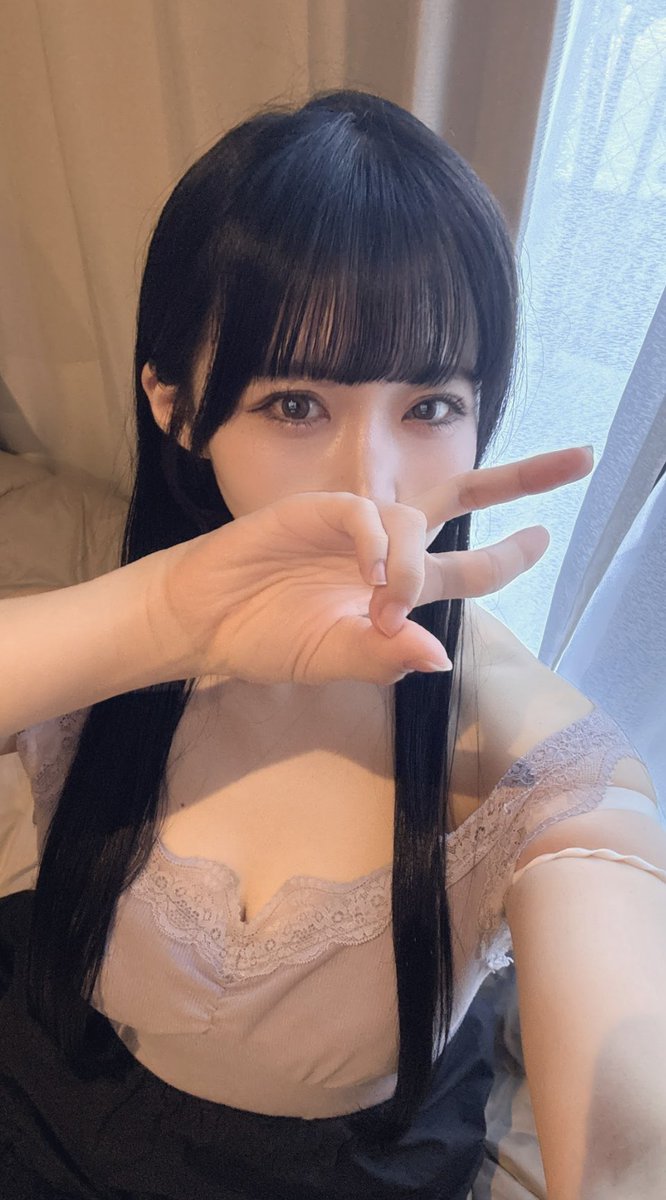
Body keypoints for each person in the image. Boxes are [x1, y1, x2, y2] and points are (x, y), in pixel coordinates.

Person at [0, 89, 661, 1200]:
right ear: (176, 403)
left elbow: (630, 1113)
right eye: (297, 404)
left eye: (430, 406)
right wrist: (158, 623)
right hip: (61, 1099)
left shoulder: (527, 757)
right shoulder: (99, 643)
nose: (373, 486)